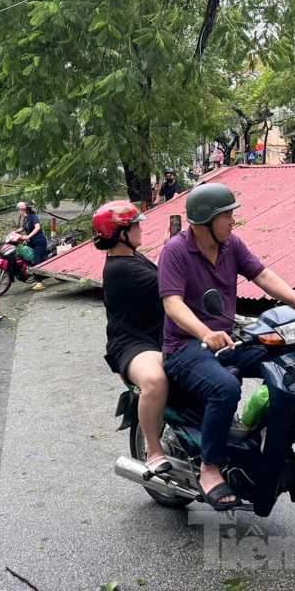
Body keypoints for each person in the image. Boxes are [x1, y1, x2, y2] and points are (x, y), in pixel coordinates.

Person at [158, 183, 295, 511]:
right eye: (227, 215)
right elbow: (173, 304)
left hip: (227, 340)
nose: (233, 220)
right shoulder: (175, 251)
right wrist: (205, 332)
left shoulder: (231, 244)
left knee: (291, 359)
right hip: (184, 347)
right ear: (206, 221)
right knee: (225, 388)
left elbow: (261, 275)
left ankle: (271, 439)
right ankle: (210, 468)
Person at [93, 200, 171, 476]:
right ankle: (153, 449)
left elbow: (160, 278)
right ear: (120, 232)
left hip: (159, 333)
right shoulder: (120, 269)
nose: (140, 228)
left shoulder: (131, 256)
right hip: (133, 343)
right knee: (156, 379)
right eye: (134, 224)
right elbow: (169, 282)